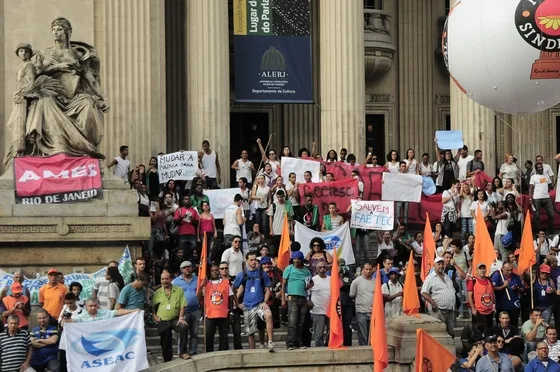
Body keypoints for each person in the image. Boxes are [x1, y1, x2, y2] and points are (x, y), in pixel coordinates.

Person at [233, 252, 275, 352]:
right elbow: (233, 288)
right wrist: (237, 303)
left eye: (255, 260)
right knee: (250, 332)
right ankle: (253, 352)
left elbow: (267, 289)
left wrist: (265, 301)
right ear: (247, 261)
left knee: (268, 315)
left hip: (260, 303)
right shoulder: (242, 274)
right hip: (248, 305)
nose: (253, 262)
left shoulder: (262, 273)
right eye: (251, 260)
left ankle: (270, 342)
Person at [151, 271, 190, 362]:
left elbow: (182, 305)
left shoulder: (178, 290)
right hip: (163, 321)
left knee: (183, 326)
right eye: (163, 279)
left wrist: (181, 318)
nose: (165, 281)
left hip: (175, 320)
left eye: (167, 278)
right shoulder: (157, 293)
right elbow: (152, 306)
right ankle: (167, 360)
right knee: (165, 342)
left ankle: (183, 352)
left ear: (171, 279)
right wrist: (154, 316)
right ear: (160, 280)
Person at [197, 264, 234, 352]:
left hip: (223, 314)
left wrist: (231, 312)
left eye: (216, 270)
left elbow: (231, 297)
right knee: (209, 337)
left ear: (219, 271)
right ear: (210, 272)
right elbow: (198, 297)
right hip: (210, 314)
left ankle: (223, 354)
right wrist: (201, 286)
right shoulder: (206, 284)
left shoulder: (225, 282)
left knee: (224, 337)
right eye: (213, 271)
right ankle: (210, 355)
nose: (215, 272)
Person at [281, 251, 313, 350]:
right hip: (292, 297)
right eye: (294, 258)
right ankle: (290, 343)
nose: (296, 260)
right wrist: (283, 298)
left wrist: (309, 286)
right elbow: (283, 284)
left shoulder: (306, 270)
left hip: (303, 297)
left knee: (300, 323)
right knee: (292, 322)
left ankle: (298, 342)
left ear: (301, 260)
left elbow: (311, 282)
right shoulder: (288, 268)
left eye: (298, 259)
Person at [421, 256, 456, 337]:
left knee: (450, 332)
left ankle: (449, 349)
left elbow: (452, 292)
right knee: (439, 332)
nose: (441, 266)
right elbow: (423, 292)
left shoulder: (447, 277)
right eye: (439, 264)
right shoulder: (430, 278)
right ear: (434, 265)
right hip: (438, 309)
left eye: (442, 264)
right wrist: (433, 303)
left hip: (450, 309)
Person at [172, 260, 200, 356]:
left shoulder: (198, 280)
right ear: (181, 269)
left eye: (189, 266)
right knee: (182, 332)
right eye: (184, 267)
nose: (187, 268)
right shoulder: (175, 282)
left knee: (195, 333)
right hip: (182, 311)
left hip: (196, 309)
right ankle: (182, 351)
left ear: (192, 268)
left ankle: (193, 351)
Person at [350, 262, 375, 345]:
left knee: (372, 334)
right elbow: (352, 295)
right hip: (361, 311)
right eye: (366, 269)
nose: (368, 271)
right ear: (362, 270)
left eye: (370, 269)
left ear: (373, 270)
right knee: (362, 334)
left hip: (373, 311)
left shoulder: (376, 281)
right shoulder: (356, 282)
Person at [468, 263, 496, 329]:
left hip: (489, 311)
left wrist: (494, 306)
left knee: (489, 330)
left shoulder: (489, 280)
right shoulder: (472, 281)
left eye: (484, 268)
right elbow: (469, 296)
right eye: (480, 269)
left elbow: (493, 294)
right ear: (477, 270)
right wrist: (473, 308)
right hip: (478, 311)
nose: (482, 270)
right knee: (478, 330)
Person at [309, 261, 330, 347]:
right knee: (318, 334)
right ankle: (319, 350)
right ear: (317, 269)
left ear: (326, 268)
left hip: (330, 311)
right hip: (317, 310)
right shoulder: (313, 280)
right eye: (320, 268)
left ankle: (329, 346)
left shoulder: (331, 279)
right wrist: (309, 302)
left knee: (332, 332)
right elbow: (306, 292)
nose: (322, 269)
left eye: (324, 267)